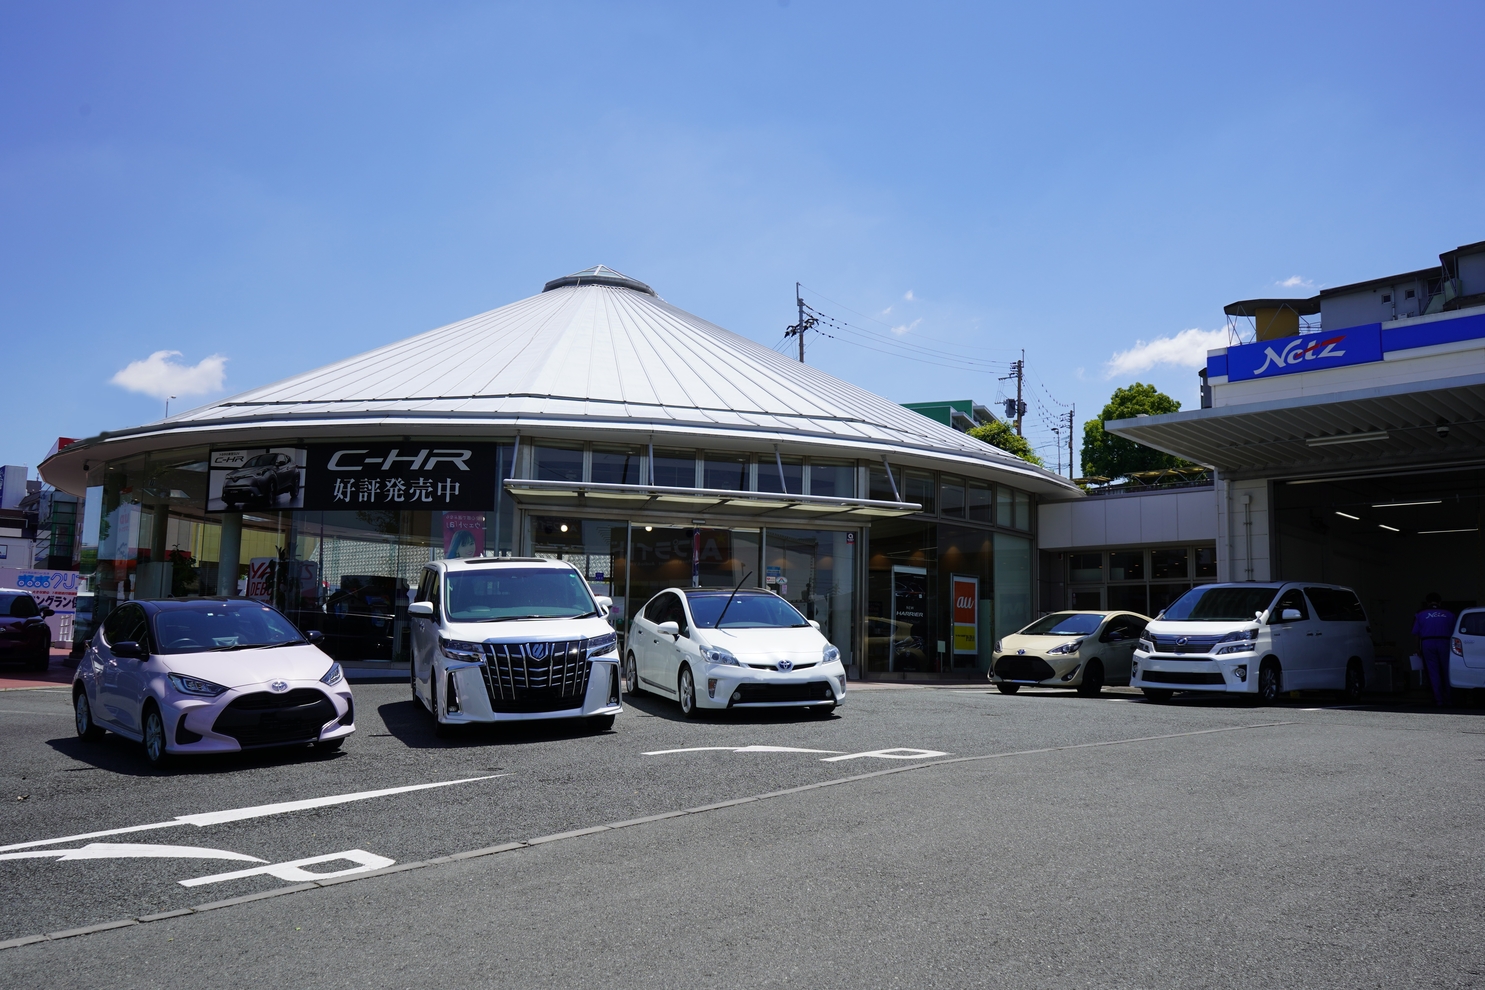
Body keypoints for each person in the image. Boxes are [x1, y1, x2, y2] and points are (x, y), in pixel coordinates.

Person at [1412, 593, 1455, 707]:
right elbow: (1455, 631)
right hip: (1445, 642)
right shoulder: (1449, 613)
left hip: (1428, 643)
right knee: (1447, 671)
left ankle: (1438, 700)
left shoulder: (1420, 614)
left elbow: (1416, 633)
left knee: (1433, 672)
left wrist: (1417, 648)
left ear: (1427, 602)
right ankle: (1450, 699)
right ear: (1440, 602)